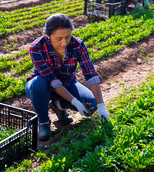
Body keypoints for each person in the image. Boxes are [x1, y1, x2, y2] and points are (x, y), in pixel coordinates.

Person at [25, 13, 110, 141]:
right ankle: (43, 122)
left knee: (91, 104)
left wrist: (101, 106)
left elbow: (90, 74)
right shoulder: (37, 47)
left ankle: (59, 106)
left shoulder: (78, 45)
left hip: (67, 84)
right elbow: (51, 80)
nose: (64, 43)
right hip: (42, 86)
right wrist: (75, 102)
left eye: (67, 37)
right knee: (38, 83)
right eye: (58, 39)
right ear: (48, 36)